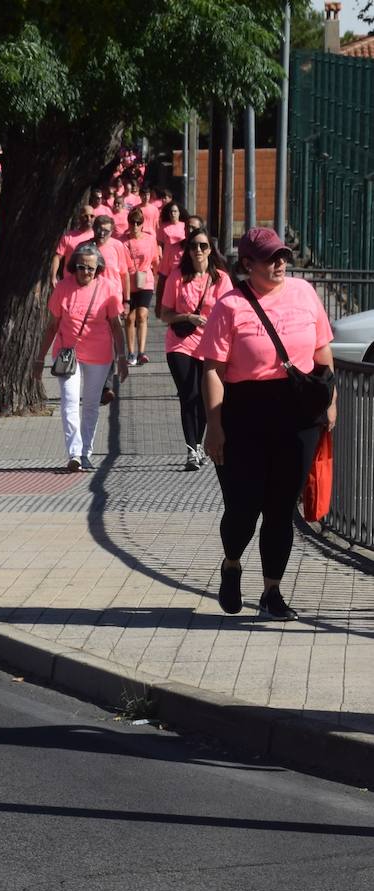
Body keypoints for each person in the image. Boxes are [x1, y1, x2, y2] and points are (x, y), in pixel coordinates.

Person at [198, 228, 337, 620]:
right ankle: (231, 564)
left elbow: (321, 352)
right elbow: (212, 369)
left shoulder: (304, 293)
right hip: (245, 412)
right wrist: (214, 424)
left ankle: (272, 592)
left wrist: (332, 403)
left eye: (283, 257)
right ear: (248, 264)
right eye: (270, 258)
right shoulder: (230, 306)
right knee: (244, 507)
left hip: (297, 415)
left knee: (279, 508)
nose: (279, 264)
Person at [35, 243, 129, 471]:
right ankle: (74, 453)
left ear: (98, 268)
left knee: (90, 405)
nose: (85, 272)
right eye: (80, 267)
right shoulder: (63, 288)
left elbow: (116, 327)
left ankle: (86, 451)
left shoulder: (107, 288)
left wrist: (122, 358)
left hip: (99, 355)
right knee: (69, 401)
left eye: (90, 268)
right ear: (73, 267)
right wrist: (39, 359)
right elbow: (51, 326)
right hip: (69, 354)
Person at [161, 227, 232, 471]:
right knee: (188, 394)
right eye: (193, 246)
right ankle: (191, 448)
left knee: (204, 397)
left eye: (203, 246)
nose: (198, 250)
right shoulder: (177, 277)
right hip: (181, 342)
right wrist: (188, 317)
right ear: (187, 250)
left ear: (211, 250)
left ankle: (200, 444)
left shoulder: (221, 279)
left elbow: (231, 312)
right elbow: (164, 314)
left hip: (211, 345)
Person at [122, 208, 160, 368]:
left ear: (142, 224)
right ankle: (131, 352)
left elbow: (155, 261)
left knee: (142, 315)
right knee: (130, 318)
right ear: (129, 223)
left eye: (138, 223)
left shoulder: (150, 240)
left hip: (146, 280)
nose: (135, 226)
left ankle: (142, 352)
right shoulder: (122, 241)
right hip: (128, 282)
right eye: (132, 222)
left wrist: (157, 280)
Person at [50, 206, 95, 281]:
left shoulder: (97, 237)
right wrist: (53, 277)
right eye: (85, 216)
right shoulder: (68, 236)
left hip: (90, 282)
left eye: (92, 216)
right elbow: (57, 257)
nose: (89, 219)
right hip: (69, 281)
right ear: (80, 217)